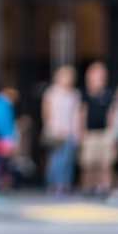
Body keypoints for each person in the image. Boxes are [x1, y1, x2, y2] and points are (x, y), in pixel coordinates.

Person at [41, 65, 81, 194]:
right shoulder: (51, 92)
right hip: (56, 131)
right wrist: (50, 127)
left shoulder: (74, 94)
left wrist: (77, 132)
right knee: (56, 160)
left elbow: (76, 114)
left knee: (68, 160)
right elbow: (46, 112)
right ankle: (53, 184)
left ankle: (65, 185)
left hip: (70, 131)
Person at [79, 61, 115, 197]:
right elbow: (82, 113)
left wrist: (112, 133)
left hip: (105, 132)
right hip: (90, 133)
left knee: (105, 163)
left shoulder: (108, 93)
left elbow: (111, 114)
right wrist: (81, 131)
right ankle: (88, 187)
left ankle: (104, 188)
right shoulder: (85, 93)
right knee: (88, 163)